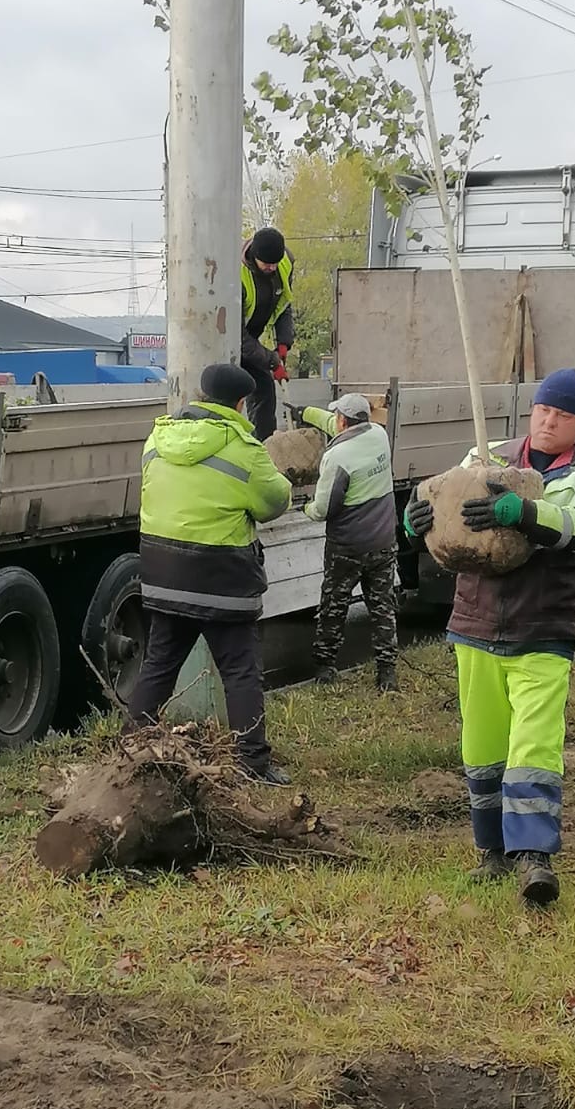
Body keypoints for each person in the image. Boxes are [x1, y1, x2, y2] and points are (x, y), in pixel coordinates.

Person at [404, 367, 575, 906]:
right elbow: (448, 509)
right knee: (481, 744)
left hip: (544, 623)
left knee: (534, 745)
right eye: (544, 410)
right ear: (532, 411)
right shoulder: (488, 456)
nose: (550, 422)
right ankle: (491, 852)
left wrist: (524, 512)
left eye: (564, 415)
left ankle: (535, 859)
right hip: (476, 622)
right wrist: (418, 520)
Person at [128, 362, 294, 784]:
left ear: (201, 395)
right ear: (241, 403)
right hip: (222, 580)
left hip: (163, 573)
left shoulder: (157, 438)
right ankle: (252, 764)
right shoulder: (243, 447)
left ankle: (132, 753)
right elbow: (275, 501)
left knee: (159, 665)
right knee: (239, 672)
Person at [297, 392, 398, 692]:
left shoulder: (337, 458)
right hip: (383, 540)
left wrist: (304, 506)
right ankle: (387, 674)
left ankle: (325, 669)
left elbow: (324, 509)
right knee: (382, 607)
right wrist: (306, 412)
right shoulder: (379, 435)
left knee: (334, 606)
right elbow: (337, 425)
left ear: (342, 420)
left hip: (348, 548)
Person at [240, 226, 294, 442]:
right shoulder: (235, 274)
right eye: (267, 264)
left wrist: (284, 342)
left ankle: (264, 448)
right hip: (226, 339)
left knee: (264, 390)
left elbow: (284, 305)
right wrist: (272, 361)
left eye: (275, 263)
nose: (272, 268)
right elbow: (237, 336)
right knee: (228, 395)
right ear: (254, 257)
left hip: (251, 338)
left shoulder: (285, 263)